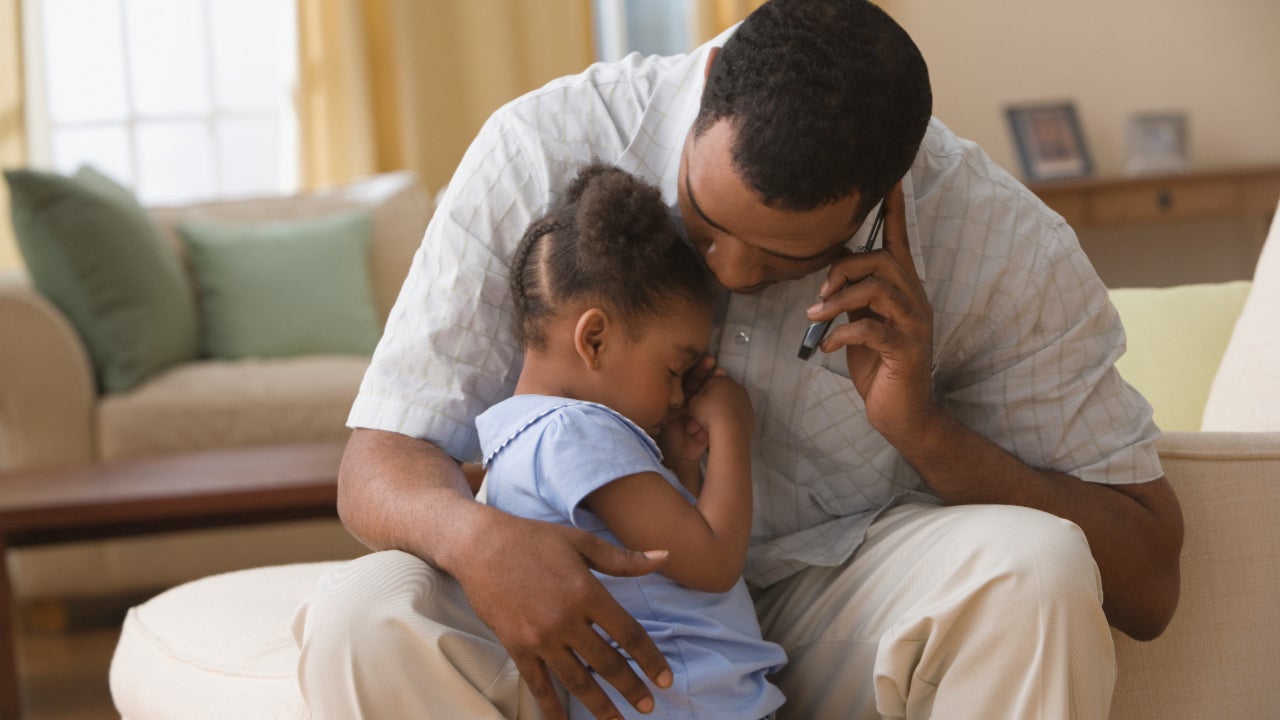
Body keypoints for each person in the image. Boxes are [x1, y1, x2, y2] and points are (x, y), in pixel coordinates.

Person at [293, 1, 1184, 718]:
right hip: (602, 608)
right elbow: (381, 460)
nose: (732, 275)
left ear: (889, 194)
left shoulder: (1001, 244)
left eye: (787, 257)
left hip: (845, 597)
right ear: (710, 81)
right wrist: (477, 540)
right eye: (707, 221)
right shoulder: (541, 146)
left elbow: (1148, 585)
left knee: (1035, 568)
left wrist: (922, 428)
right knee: (363, 621)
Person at [477, 161, 785, 719]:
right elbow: (713, 563)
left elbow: (656, 563)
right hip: (693, 699)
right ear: (594, 340)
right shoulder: (574, 431)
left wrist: (681, 469)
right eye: (674, 370)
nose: (680, 396)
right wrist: (731, 428)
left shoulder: (518, 442)